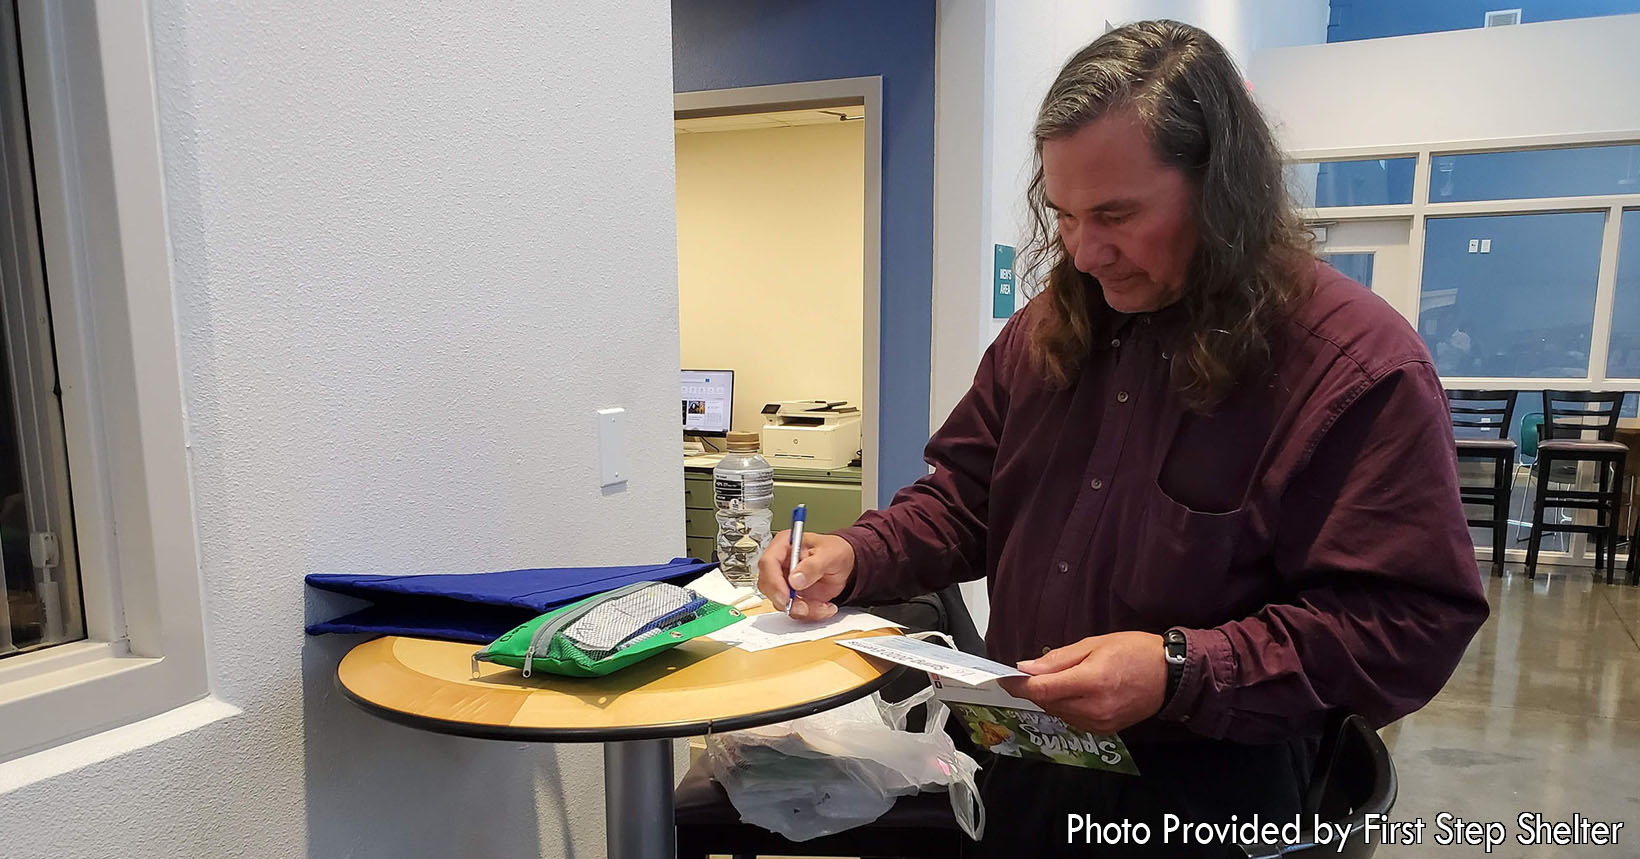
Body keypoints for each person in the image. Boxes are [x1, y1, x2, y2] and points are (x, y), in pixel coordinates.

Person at [758, 19, 1489, 858]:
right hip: (1028, 760)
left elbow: (1406, 623)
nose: (1085, 251)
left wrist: (1182, 671)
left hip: (1212, 798)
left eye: (1116, 214)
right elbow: (964, 498)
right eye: (1063, 215)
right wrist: (855, 554)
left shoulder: (1355, 367)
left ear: (1222, 190)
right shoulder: (1048, 332)